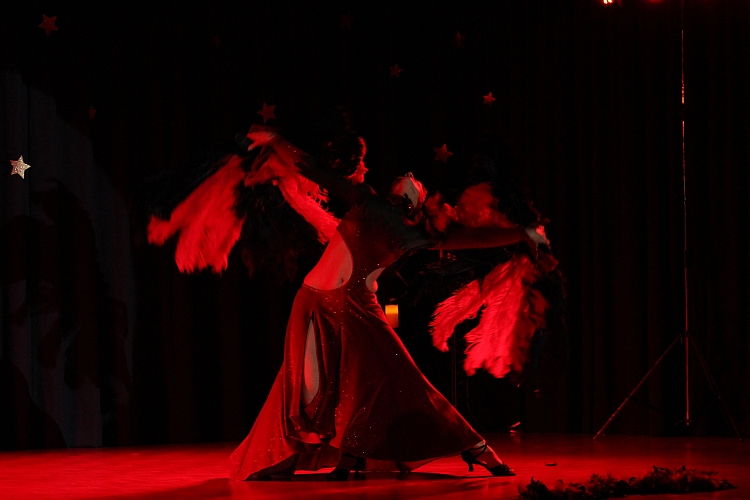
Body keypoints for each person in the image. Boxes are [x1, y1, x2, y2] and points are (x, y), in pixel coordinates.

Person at [227, 126, 548, 481]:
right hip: (311, 302)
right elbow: (311, 168)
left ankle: (476, 447)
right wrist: (275, 141)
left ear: (419, 201)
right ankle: (346, 455)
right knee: (310, 387)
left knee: (397, 379)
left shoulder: (418, 234)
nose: (408, 174)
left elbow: (474, 238)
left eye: (416, 180)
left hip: (357, 308)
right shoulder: (365, 198)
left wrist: (521, 233)